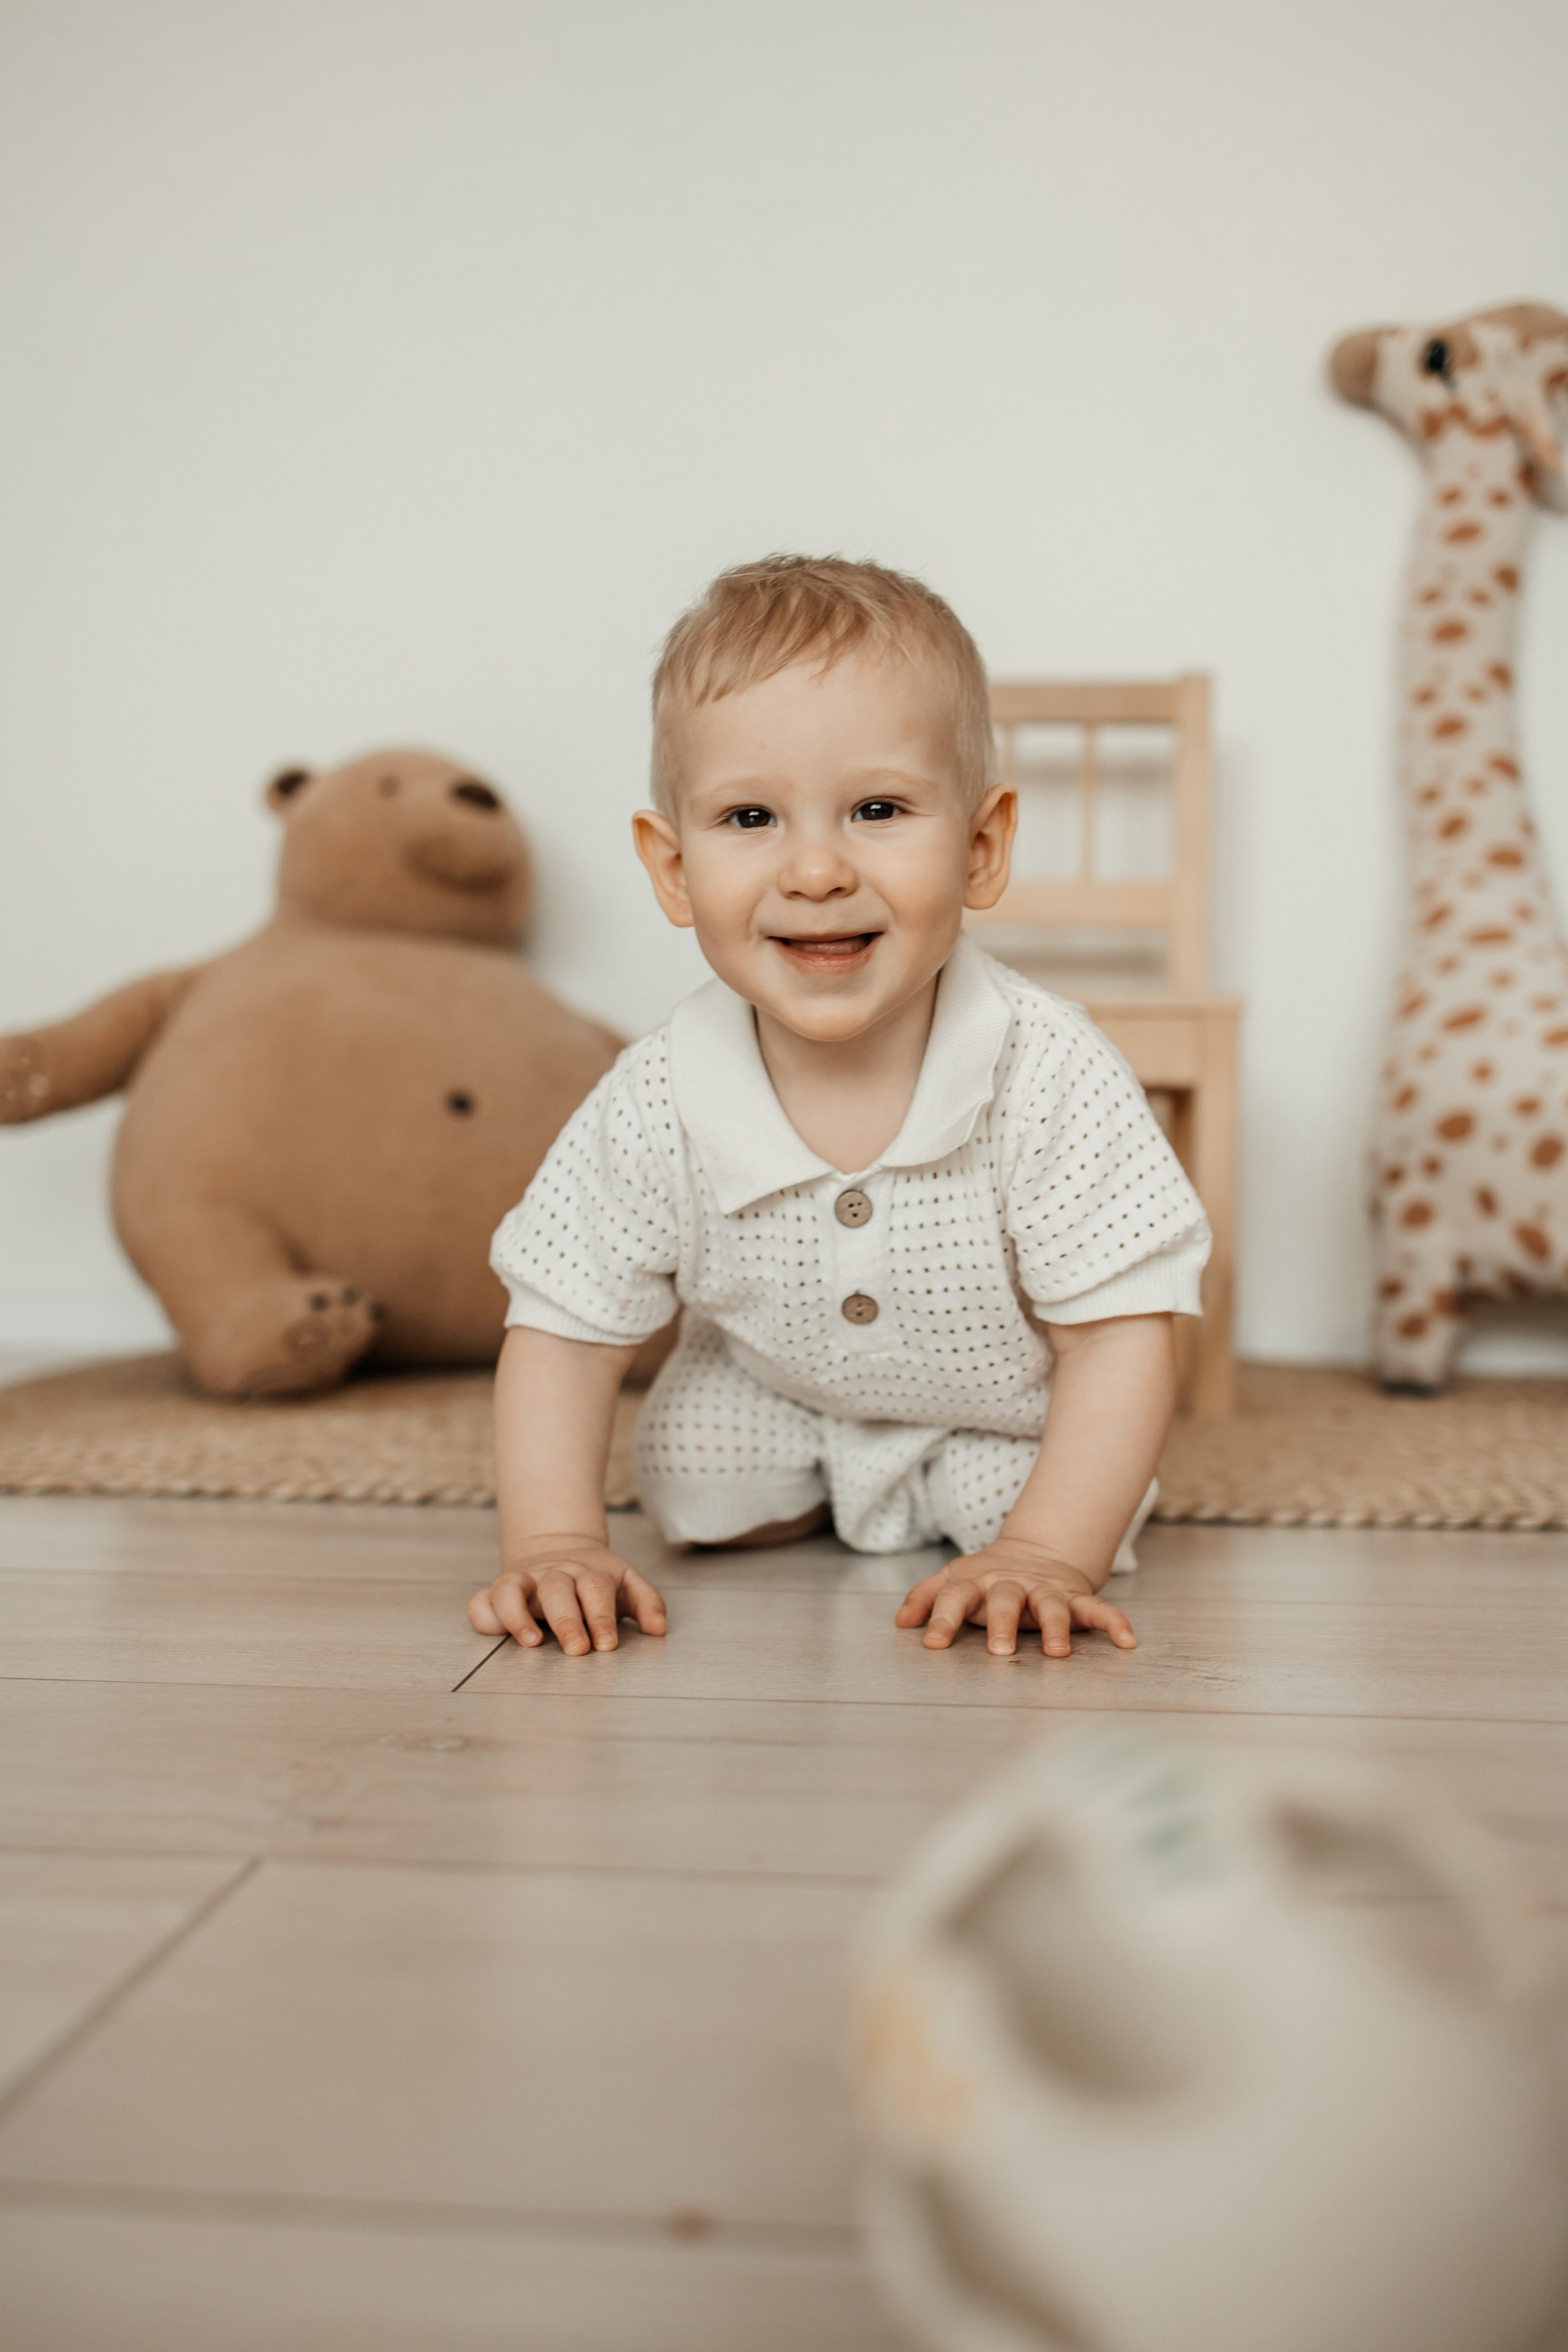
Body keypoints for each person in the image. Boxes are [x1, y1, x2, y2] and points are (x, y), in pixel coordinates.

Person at [469, 556, 1209, 1661]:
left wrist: (1049, 1552)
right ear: (673, 869)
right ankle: (849, 1484)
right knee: (688, 1482)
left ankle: (964, 1501)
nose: (815, 871)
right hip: (775, 1387)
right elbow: (565, 1329)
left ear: (981, 848)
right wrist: (554, 1540)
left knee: (1046, 1501)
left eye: (877, 809)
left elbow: (1118, 1336)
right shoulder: (660, 1090)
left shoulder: (1044, 1068)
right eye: (750, 817)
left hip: (1002, 1411)